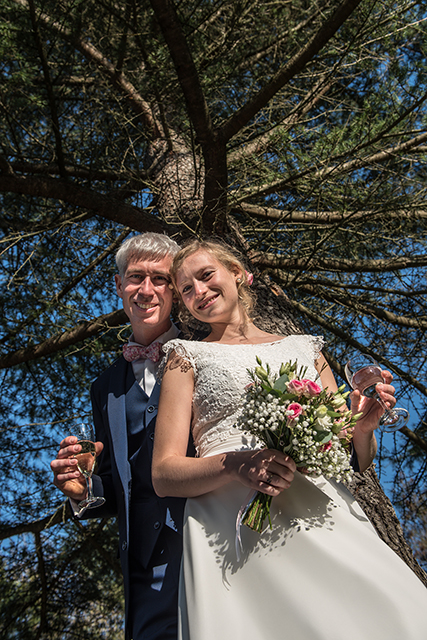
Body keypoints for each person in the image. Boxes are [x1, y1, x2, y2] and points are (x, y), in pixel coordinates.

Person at [152, 239, 427, 640]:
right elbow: (163, 474)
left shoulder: (306, 348)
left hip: (322, 511)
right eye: (186, 289)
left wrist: (363, 429)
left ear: (239, 273)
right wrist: (236, 464)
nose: (198, 292)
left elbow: (351, 457)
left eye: (206, 275)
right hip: (231, 526)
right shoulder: (184, 356)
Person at [51, 232, 192, 640]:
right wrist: (83, 490)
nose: (145, 290)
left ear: (176, 291)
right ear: (118, 286)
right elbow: (118, 485)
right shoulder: (104, 387)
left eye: (159, 279)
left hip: (213, 539)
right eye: (135, 277)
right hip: (145, 568)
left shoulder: (209, 351)